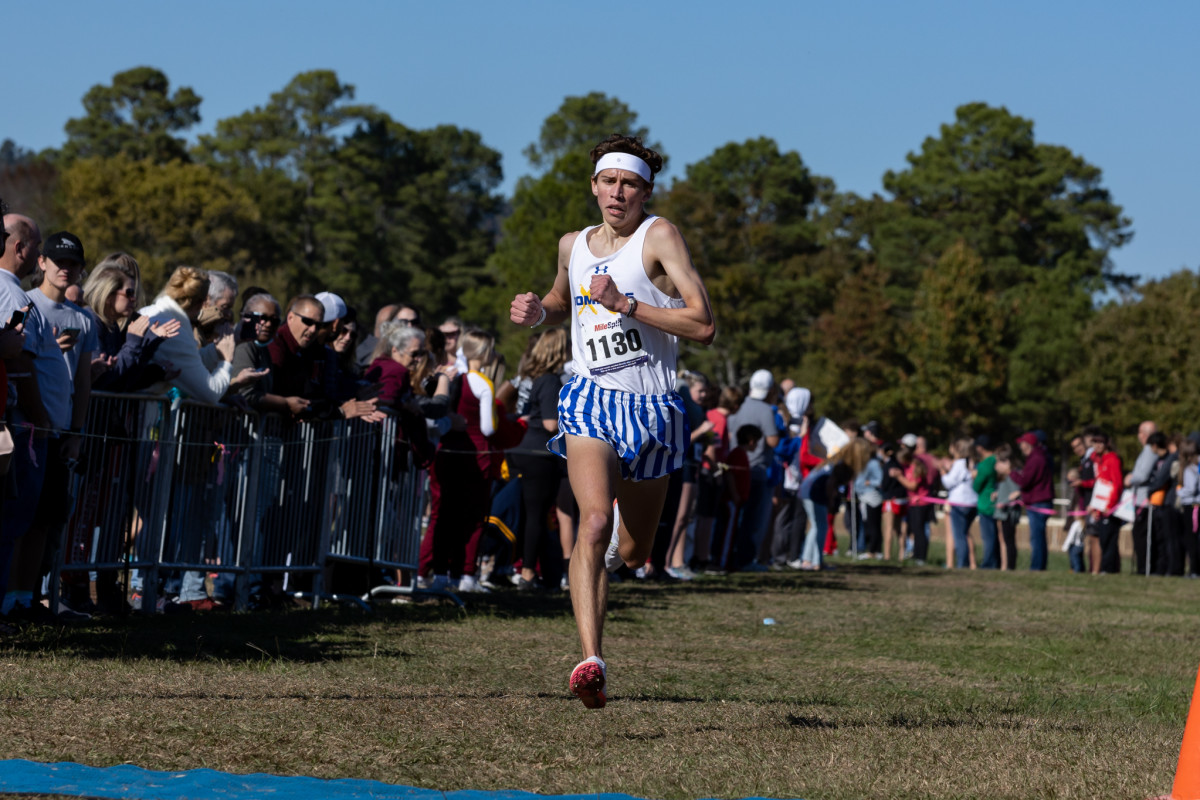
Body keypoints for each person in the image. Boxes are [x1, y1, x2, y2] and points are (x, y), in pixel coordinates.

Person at [509, 134, 715, 709]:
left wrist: (627, 303)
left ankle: (601, 563)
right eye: (609, 182)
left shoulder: (659, 236)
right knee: (593, 520)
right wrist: (537, 312)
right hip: (592, 398)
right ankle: (590, 660)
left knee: (635, 550)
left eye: (630, 184)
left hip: (653, 408)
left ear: (646, 190)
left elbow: (702, 325)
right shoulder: (572, 244)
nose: (618, 193)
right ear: (594, 186)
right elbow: (560, 297)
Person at [506, 328, 571, 590]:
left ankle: (533, 570)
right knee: (537, 515)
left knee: (529, 514)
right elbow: (550, 423)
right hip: (539, 454)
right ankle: (529, 572)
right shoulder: (551, 380)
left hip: (523, 450)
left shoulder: (534, 377)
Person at [726, 369, 783, 570]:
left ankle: (730, 556)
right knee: (753, 519)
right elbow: (773, 441)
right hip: (757, 469)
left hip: (736, 465)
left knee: (736, 518)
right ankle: (746, 560)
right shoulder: (766, 409)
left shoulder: (740, 405)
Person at [1009, 432, 1054, 571]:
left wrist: (1011, 473)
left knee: (1037, 537)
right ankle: (1038, 565)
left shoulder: (1036, 459)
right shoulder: (1036, 457)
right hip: (1037, 501)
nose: (1020, 446)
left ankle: (1037, 567)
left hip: (1038, 502)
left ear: (1027, 444)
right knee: (1037, 536)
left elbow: (1025, 481)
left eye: (1022, 443)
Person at [941, 437, 978, 569]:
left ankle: (962, 564)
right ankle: (971, 563)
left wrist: (943, 472)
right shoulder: (971, 462)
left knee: (960, 535)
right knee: (966, 534)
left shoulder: (959, 464)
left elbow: (948, 482)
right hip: (972, 503)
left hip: (959, 503)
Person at [972, 436, 1000, 569]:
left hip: (986, 504)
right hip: (998, 502)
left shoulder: (984, 465)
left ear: (980, 448)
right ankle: (997, 562)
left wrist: (973, 476)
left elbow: (976, 486)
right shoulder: (998, 460)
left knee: (988, 537)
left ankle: (989, 563)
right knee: (997, 536)